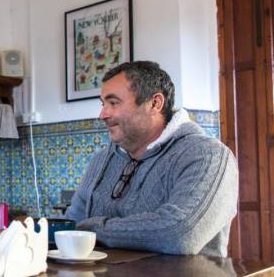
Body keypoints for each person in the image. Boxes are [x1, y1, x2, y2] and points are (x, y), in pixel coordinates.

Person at [65, 61, 238, 257]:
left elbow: (179, 235)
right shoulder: (100, 160)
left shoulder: (207, 155)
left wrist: (93, 229)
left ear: (155, 103)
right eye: (103, 104)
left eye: (113, 103)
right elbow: (70, 226)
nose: (102, 114)